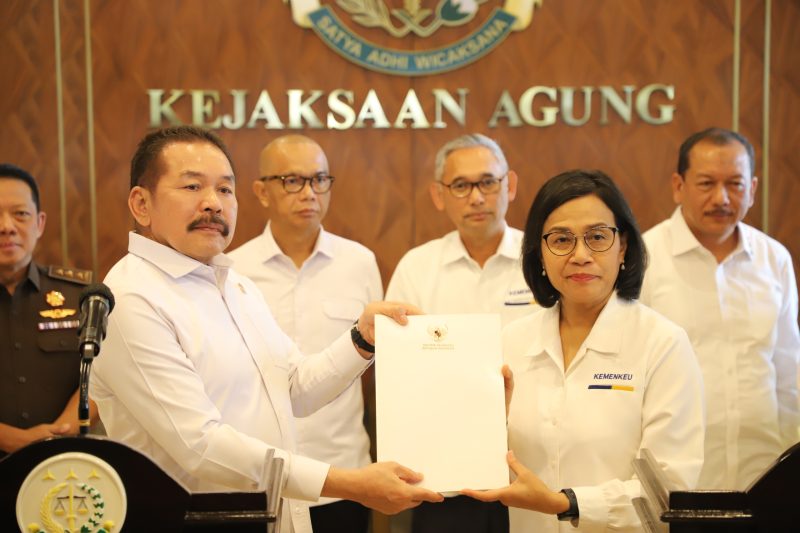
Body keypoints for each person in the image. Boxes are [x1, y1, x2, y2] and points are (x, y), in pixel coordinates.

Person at [90, 126, 442, 533]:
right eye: (191, 186)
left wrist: (362, 339)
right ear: (141, 204)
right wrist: (347, 483)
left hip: (274, 517)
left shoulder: (235, 284)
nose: (213, 204)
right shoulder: (132, 298)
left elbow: (294, 388)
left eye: (225, 190)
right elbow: (200, 445)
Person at [462, 170, 705, 533]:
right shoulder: (510, 341)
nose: (580, 255)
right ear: (539, 254)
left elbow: (669, 488)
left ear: (623, 247)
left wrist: (566, 503)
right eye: (561, 239)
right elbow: (478, 456)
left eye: (597, 237)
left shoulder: (662, 344)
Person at [229, 134, 380, 533]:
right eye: (292, 181)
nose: (309, 193)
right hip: (261, 475)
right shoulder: (231, 270)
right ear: (261, 191)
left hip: (343, 473)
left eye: (319, 179)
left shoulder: (359, 262)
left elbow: (380, 363)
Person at [386, 134, 533, 533]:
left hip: (531, 466)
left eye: (488, 182)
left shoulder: (543, 259)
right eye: (461, 186)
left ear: (511, 186)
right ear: (439, 195)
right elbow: (400, 373)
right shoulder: (417, 268)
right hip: (444, 473)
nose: (476, 197)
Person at [639, 127, 800, 490]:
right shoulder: (644, 258)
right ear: (678, 186)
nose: (722, 198)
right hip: (678, 475)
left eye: (735, 184)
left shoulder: (774, 259)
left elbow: (788, 370)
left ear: (753, 189)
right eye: (707, 183)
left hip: (763, 472)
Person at [0, 163, 97, 457]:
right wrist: (12, 439)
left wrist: (57, 439)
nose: (6, 226)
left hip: (66, 464)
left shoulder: (81, 296)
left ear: (39, 223)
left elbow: (103, 379)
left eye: (20, 214)